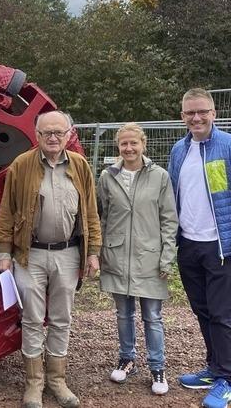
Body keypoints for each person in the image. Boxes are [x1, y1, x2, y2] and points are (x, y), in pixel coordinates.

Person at [0, 110, 101, 408]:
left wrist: (93, 251)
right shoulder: (21, 165)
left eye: (59, 132)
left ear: (69, 134)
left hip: (68, 254)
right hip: (30, 255)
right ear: (37, 135)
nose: (53, 138)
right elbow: (6, 211)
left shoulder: (80, 166)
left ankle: (57, 380)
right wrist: (4, 253)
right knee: (31, 318)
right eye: (47, 133)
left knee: (61, 318)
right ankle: (34, 384)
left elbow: (91, 212)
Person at [96, 123, 178, 395]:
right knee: (123, 313)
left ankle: (157, 366)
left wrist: (167, 257)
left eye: (134, 143)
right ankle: (126, 358)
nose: (129, 148)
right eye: (123, 144)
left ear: (143, 144)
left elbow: (169, 219)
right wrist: (101, 252)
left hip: (149, 257)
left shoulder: (160, 176)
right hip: (117, 255)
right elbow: (102, 217)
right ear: (118, 147)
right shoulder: (108, 177)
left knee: (152, 316)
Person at [168, 88, 231, 408]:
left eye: (202, 111)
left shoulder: (227, 146)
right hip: (189, 245)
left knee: (222, 314)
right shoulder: (179, 150)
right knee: (203, 310)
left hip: (220, 247)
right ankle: (213, 368)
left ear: (213, 113)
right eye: (190, 113)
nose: (196, 118)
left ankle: (227, 378)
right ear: (182, 117)